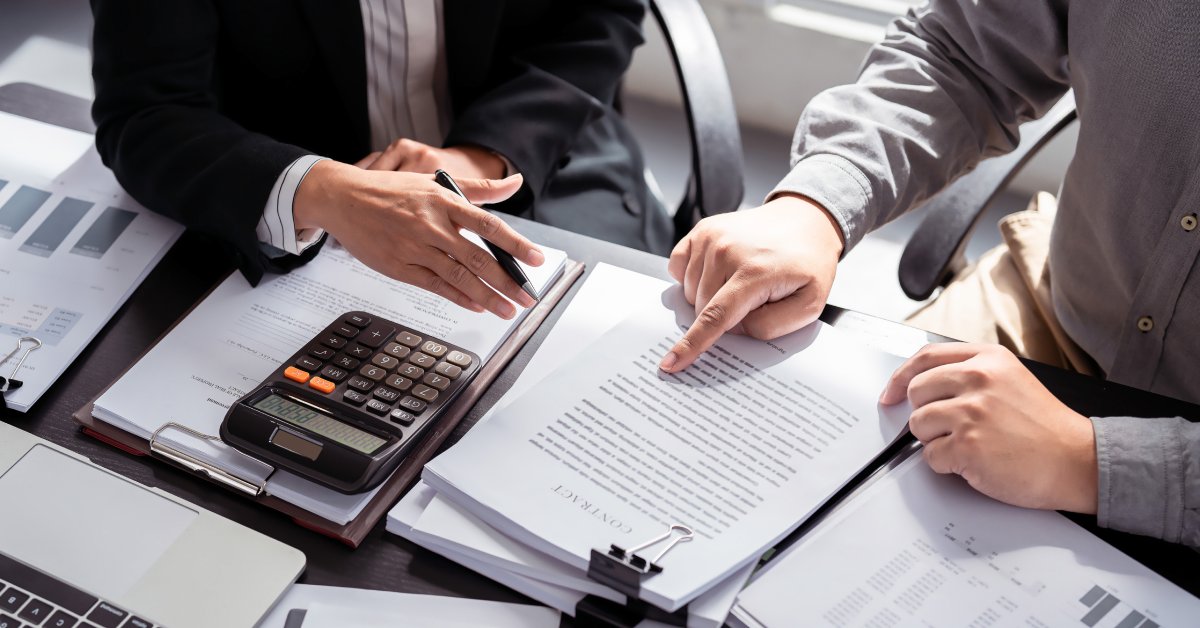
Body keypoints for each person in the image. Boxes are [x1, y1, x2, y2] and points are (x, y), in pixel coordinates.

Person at [660, 0, 1200, 548]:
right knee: (785, 491)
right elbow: (960, 54)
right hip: (1056, 304)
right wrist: (817, 202)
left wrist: (1091, 462)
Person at [90, 0, 672, 319]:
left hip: (538, 150)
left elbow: (602, 14)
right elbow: (145, 114)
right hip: (293, 201)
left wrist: (478, 155)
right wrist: (320, 189)